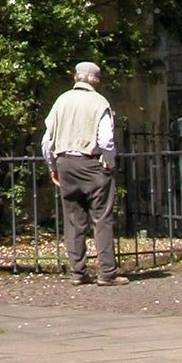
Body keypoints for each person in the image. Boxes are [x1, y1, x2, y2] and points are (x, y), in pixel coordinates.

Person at [42, 61, 128, 286]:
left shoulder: (61, 101)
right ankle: (107, 272)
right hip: (92, 165)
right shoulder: (99, 103)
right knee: (101, 218)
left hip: (65, 164)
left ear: (75, 78)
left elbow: (46, 140)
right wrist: (109, 163)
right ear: (97, 81)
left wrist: (53, 166)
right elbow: (106, 140)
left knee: (73, 219)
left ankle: (78, 272)